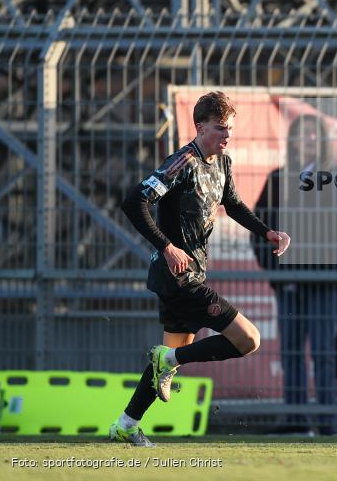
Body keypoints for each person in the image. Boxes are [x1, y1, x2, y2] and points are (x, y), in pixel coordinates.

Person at [111, 91, 290, 447]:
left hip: (191, 275)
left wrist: (267, 231)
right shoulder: (182, 162)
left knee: (170, 358)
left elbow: (234, 204)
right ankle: (167, 361)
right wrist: (167, 246)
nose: (227, 135)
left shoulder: (222, 163)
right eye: (220, 128)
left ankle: (126, 423)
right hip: (177, 277)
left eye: (231, 129)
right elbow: (134, 202)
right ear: (200, 126)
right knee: (248, 339)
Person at [253, 113, 337, 436]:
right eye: (302, 134)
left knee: (325, 354)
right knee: (291, 354)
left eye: (314, 134)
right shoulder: (277, 179)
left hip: (324, 284)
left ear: (323, 140)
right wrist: (278, 274)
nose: (308, 140)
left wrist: (328, 264)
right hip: (289, 286)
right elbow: (259, 229)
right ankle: (295, 419)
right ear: (293, 141)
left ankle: (327, 422)